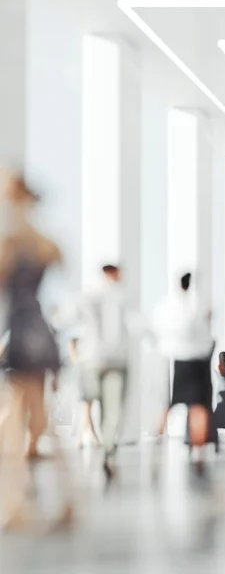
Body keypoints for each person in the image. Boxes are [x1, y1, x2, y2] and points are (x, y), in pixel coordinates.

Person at [0, 173, 72, 531]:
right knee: (40, 418)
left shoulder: (10, 242)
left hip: (19, 330)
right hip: (39, 330)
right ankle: (69, 498)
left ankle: (15, 505)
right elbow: (63, 261)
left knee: (15, 420)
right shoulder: (44, 243)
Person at [70, 264, 135, 479]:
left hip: (92, 361)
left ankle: (91, 438)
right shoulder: (121, 297)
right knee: (109, 405)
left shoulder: (89, 295)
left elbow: (68, 319)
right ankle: (105, 445)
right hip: (113, 361)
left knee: (89, 401)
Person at [152, 273, 216, 475]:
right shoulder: (195, 307)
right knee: (198, 405)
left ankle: (157, 438)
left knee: (170, 403)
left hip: (176, 359)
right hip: (196, 359)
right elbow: (204, 334)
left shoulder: (166, 307)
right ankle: (198, 449)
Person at [66, 338, 99, 448]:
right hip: (82, 381)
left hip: (85, 379)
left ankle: (86, 437)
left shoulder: (79, 359)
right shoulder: (80, 360)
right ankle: (88, 437)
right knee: (85, 409)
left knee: (86, 409)